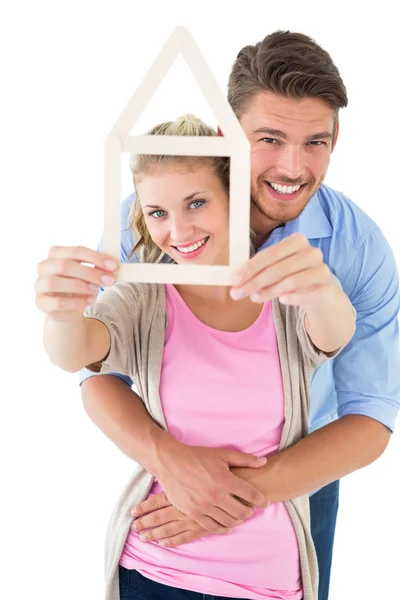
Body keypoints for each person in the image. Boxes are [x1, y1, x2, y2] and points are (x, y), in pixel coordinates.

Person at [44, 30, 400, 600]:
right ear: (223, 139)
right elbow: (95, 369)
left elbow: (371, 416)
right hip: (171, 474)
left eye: (316, 141)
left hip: (304, 475)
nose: (293, 165)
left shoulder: (356, 247)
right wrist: (170, 461)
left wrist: (246, 495)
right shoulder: (151, 221)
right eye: (270, 138)